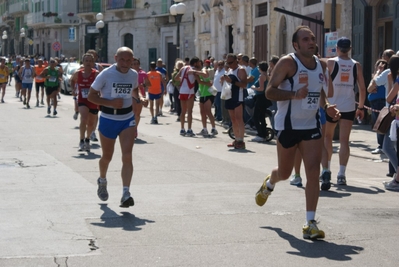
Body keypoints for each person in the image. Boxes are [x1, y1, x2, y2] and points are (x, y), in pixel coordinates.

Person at [255, 26, 340, 239]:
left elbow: (319, 90)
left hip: (311, 126)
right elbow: (269, 91)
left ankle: (310, 223)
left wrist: (327, 105)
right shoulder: (288, 63)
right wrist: (294, 94)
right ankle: (270, 182)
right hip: (288, 126)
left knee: (313, 172)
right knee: (284, 173)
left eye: (312, 38)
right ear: (296, 44)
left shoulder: (321, 65)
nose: (311, 41)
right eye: (305, 39)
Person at [87, 46, 138, 208]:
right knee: (107, 156)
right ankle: (102, 179)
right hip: (109, 118)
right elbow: (91, 96)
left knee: (127, 155)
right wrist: (109, 102)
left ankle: (125, 193)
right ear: (115, 58)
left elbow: (134, 89)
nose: (125, 63)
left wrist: (140, 98)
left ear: (133, 60)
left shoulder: (133, 75)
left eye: (129, 60)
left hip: (127, 118)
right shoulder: (106, 74)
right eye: (122, 59)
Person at [324, 37, 366, 186]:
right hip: (348, 106)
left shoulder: (331, 63)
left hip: (332, 105)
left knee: (327, 137)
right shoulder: (356, 65)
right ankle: (341, 174)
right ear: (350, 49)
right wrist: (360, 107)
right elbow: (361, 88)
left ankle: (326, 170)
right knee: (344, 141)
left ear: (337, 48)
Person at [70, 53, 99, 152]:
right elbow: (72, 80)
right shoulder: (78, 73)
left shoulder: (96, 73)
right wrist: (74, 89)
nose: (88, 63)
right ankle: (81, 140)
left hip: (94, 100)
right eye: (86, 61)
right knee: (84, 119)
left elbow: (103, 83)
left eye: (90, 61)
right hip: (82, 99)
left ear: (93, 63)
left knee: (91, 123)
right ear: (83, 62)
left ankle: (87, 139)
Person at [221, 53, 248, 149]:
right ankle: (236, 138)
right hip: (229, 96)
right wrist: (223, 80)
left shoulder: (241, 70)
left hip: (238, 96)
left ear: (236, 60)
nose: (229, 64)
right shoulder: (229, 70)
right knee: (232, 119)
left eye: (231, 62)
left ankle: (241, 140)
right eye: (227, 63)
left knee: (238, 118)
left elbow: (244, 85)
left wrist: (231, 81)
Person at [174, 56, 202, 137]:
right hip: (190, 91)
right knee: (189, 111)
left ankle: (182, 129)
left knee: (183, 111)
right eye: (199, 62)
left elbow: (176, 78)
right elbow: (199, 81)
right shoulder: (194, 70)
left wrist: (183, 79)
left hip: (182, 91)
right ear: (196, 63)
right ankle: (189, 129)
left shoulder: (183, 68)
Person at [383, 55, 399, 191]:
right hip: (395, 117)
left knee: (387, 147)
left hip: (396, 117)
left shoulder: (396, 79)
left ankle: (397, 178)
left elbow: (389, 98)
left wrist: (389, 82)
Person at [250, 61, 272, 142]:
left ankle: (260, 134)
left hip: (260, 97)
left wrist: (253, 88)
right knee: (261, 116)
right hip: (264, 97)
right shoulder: (266, 75)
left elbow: (261, 88)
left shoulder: (262, 76)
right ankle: (263, 133)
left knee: (256, 116)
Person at [195, 60, 218, 136]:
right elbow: (199, 82)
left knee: (208, 111)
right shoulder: (197, 72)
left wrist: (196, 72)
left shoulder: (204, 70)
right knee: (202, 112)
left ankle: (214, 128)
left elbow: (205, 74)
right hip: (202, 94)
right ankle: (204, 129)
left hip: (208, 93)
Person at [131, 58, 150, 136]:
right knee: (132, 113)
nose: (135, 65)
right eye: (134, 64)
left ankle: (135, 128)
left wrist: (143, 85)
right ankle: (131, 128)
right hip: (131, 95)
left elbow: (149, 84)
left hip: (140, 95)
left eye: (137, 64)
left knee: (137, 113)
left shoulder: (143, 73)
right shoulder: (129, 73)